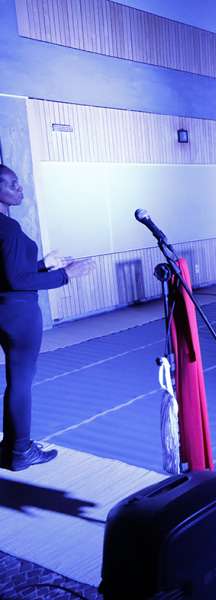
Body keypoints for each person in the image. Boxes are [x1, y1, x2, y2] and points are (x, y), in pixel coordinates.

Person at [0, 165, 94, 471]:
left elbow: (9, 272)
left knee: (15, 382)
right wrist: (66, 274)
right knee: (20, 383)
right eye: (12, 184)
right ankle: (21, 451)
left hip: (3, 311)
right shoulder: (9, 228)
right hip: (20, 314)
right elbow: (18, 280)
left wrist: (43, 264)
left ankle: (9, 446)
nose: (20, 188)